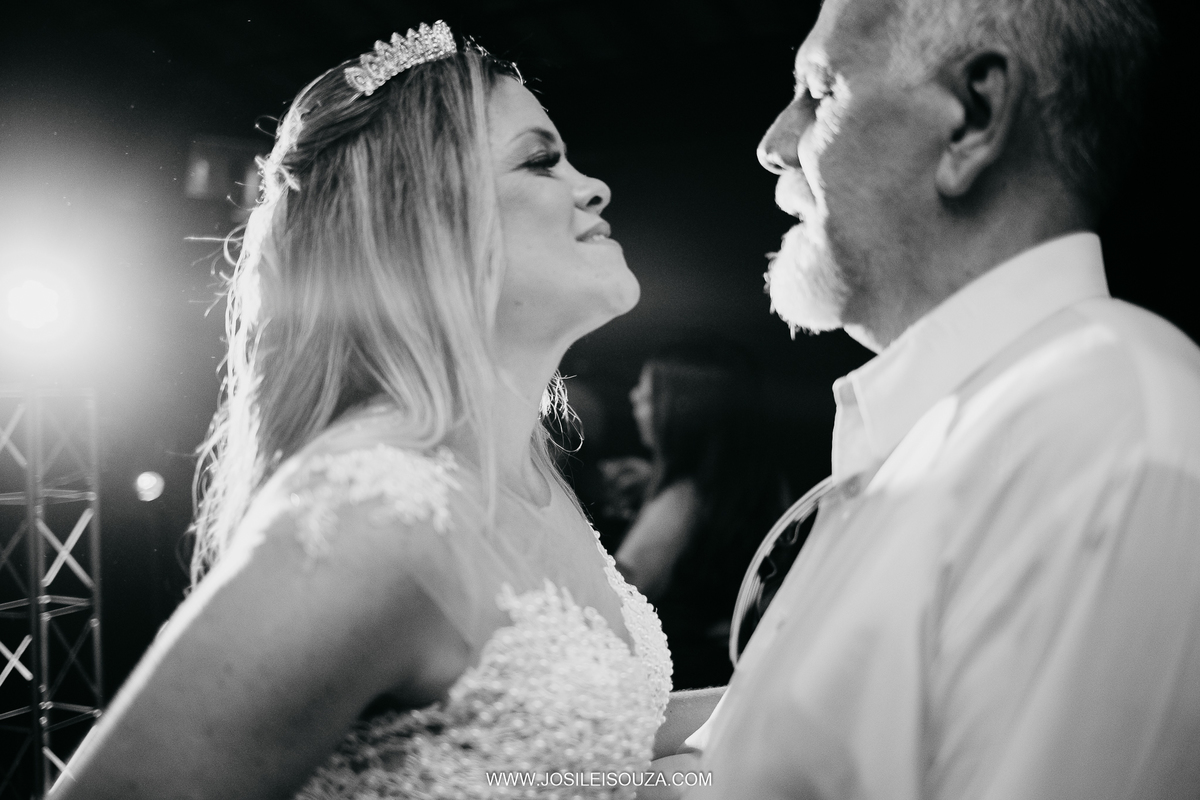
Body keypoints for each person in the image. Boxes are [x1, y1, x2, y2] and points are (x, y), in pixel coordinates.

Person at [49, 23, 674, 799]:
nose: (592, 186)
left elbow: (595, 743)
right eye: (542, 160)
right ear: (422, 220)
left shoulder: (527, 483)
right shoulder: (371, 507)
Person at [670, 0, 1200, 798]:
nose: (772, 144)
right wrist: (508, 773)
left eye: (821, 91)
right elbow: (719, 775)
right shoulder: (904, 443)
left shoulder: (1106, 435)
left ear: (973, 117)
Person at [616, 342, 791, 690]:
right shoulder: (759, 485)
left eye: (649, 397)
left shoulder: (682, 499)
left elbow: (619, 596)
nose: (633, 399)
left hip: (683, 688)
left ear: (685, 412)